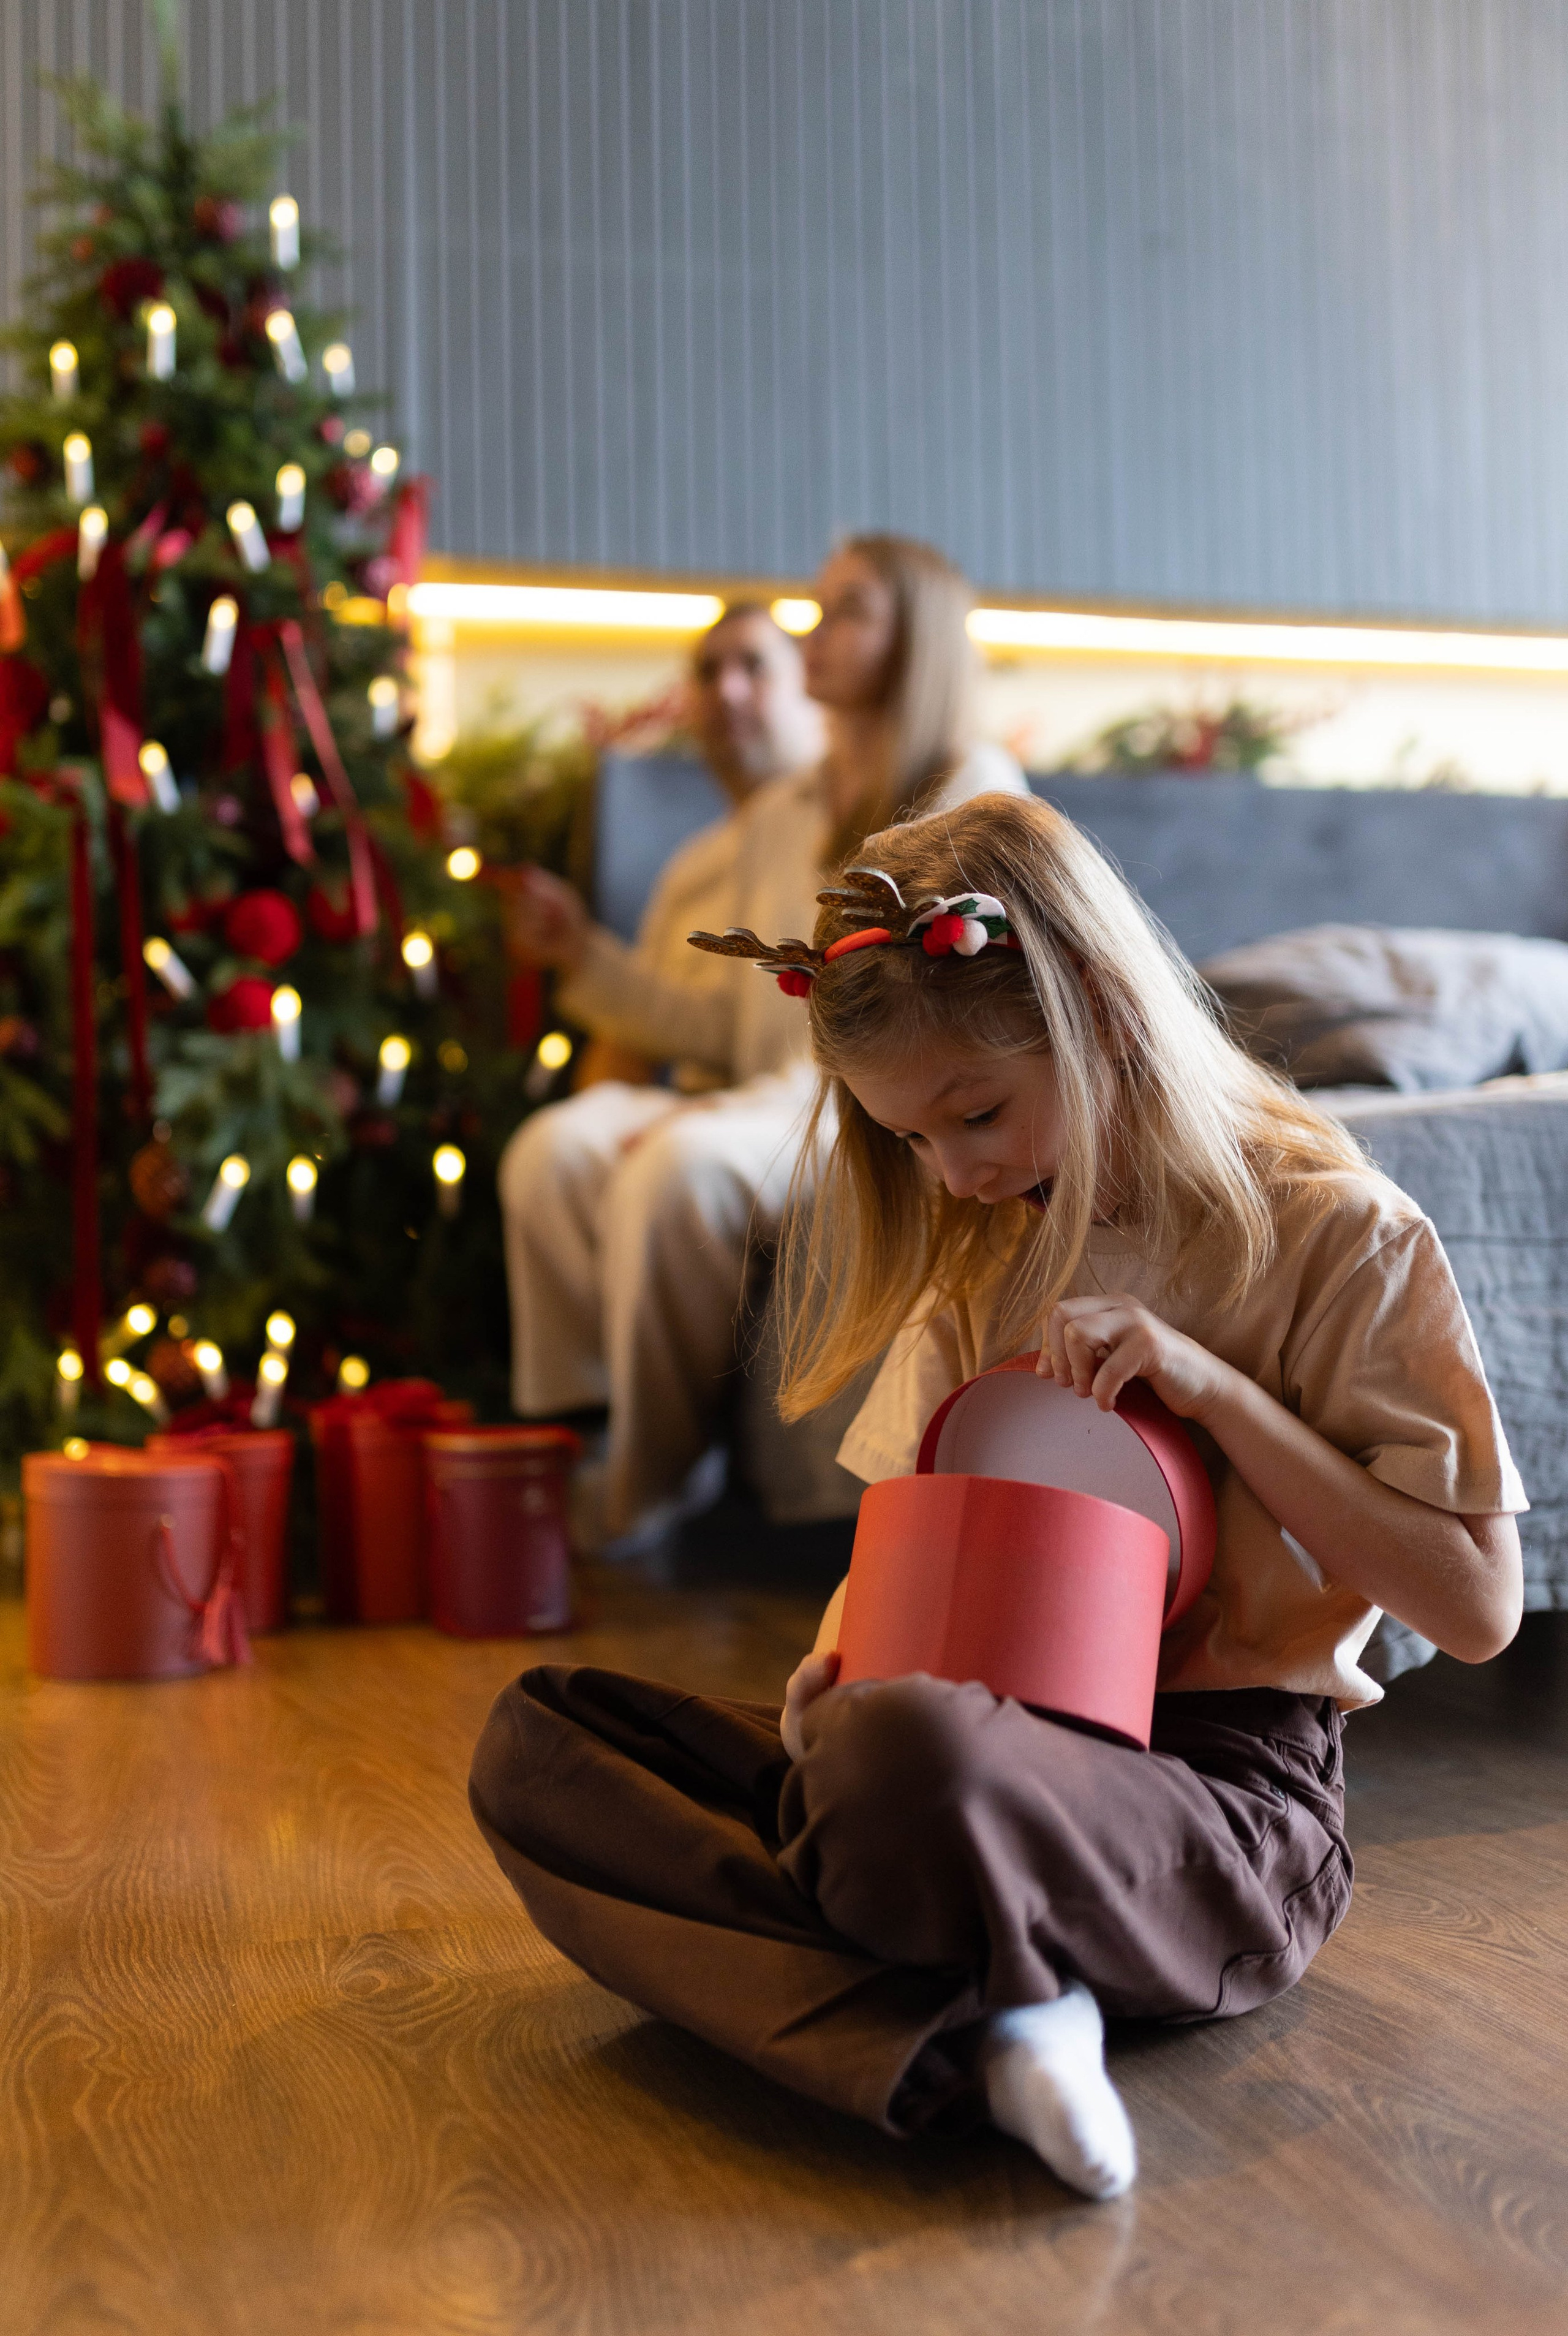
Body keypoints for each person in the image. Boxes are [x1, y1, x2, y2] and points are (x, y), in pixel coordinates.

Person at [472, 790, 1525, 2199]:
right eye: (908, 1139)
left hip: (1217, 1792)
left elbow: (1476, 1610)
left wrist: (1215, 1394)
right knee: (542, 1747)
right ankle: (1015, 1998)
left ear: (1100, 1009)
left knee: (916, 1758)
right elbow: (893, 1550)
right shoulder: (984, 1247)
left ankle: (937, 1999)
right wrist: (824, 1684)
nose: (954, 1174)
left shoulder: (1338, 1233)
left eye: (975, 1112)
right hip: (972, 1733)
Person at [497, 537, 1027, 1547]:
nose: (812, 632)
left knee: (676, 1172)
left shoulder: (974, 788)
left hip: (874, 1103)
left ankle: (649, 1487)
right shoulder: (783, 812)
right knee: (550, 1153)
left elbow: (941, 1021)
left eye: (846, 611)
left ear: (914, 637)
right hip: (760, 1095)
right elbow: (730, 1018)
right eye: (816, 609)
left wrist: (709, 1115)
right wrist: (584, 957)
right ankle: (584, 1432)